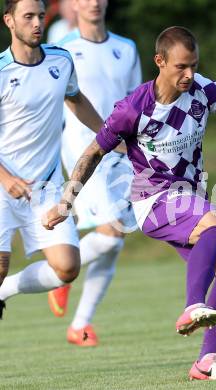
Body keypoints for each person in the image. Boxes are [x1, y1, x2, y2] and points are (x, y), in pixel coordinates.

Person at [43, 26, 216, 380]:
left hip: (190, 196)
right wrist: (64, 205)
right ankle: (193, 305)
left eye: (193, 65)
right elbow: (93, 152)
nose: (189, 74)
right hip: (152, 198)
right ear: (159, 61)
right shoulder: (134, 108)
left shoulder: (204, 90)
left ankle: (205, 363)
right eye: (181, 67)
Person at [0, 0, 103, 320]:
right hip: (2, 187)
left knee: (67, 267)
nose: (36, 23)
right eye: (27, 16)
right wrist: (6, 178)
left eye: (41, 16)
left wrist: (109, 135)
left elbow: (75, 99)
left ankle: (4, 291)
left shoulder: (60, 60)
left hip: (45, 187)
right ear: (9, 21)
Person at [47, 0, 142, 347]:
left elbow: (136, 102)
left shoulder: (126, 48)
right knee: (110, 233)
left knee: (113, 241)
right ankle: (62, 272)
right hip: (82, 153)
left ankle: (80, 326)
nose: (93, 3)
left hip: (122, 153)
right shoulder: (60, 50)